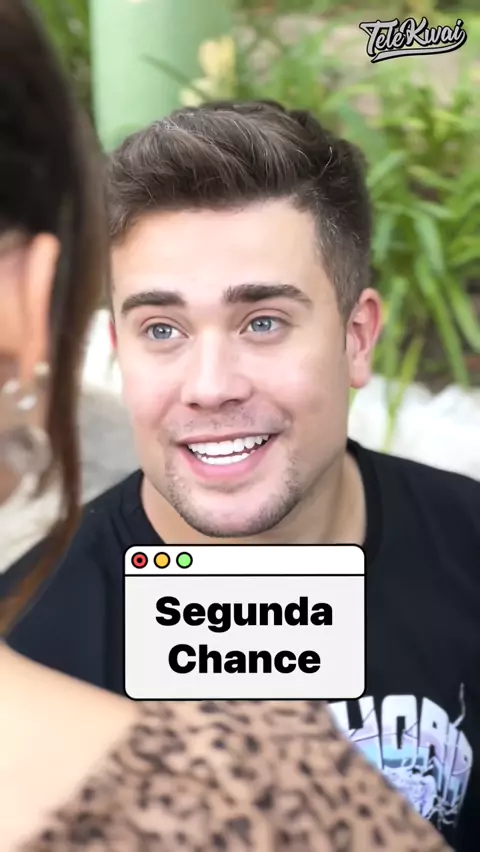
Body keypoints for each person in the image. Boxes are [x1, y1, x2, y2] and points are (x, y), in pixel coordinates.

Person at [0, 5, 456, 851]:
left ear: (357, 337)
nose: (210, 387)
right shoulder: (31, 637)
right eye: (161, 329)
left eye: (263, 322)